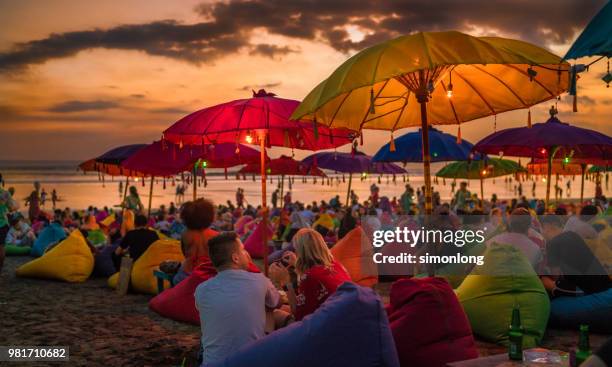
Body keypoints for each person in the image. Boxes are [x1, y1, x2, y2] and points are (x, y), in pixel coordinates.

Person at [195, 232, 281, 365]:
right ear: (235, 258)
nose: (246, 253)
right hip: (252, 361)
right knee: (269, 311)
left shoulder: (201, 290)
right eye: (243, 249)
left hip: (212, 364)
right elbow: (276, 303)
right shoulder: (259, 280)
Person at [269, 228, 351, 321]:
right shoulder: (336, 265)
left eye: (296, 250)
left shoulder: (310, 277)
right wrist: (296, 264)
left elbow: (298, 315)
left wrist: (286, 283)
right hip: (344, 317)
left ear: (301, 252)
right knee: (283, 308)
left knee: (275, 313)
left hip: (328, 326)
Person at [0, 186, 18, 272]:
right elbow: (12, 207)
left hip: (3, 223)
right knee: (1, 245)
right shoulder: (5, 193)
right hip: (3, 223)